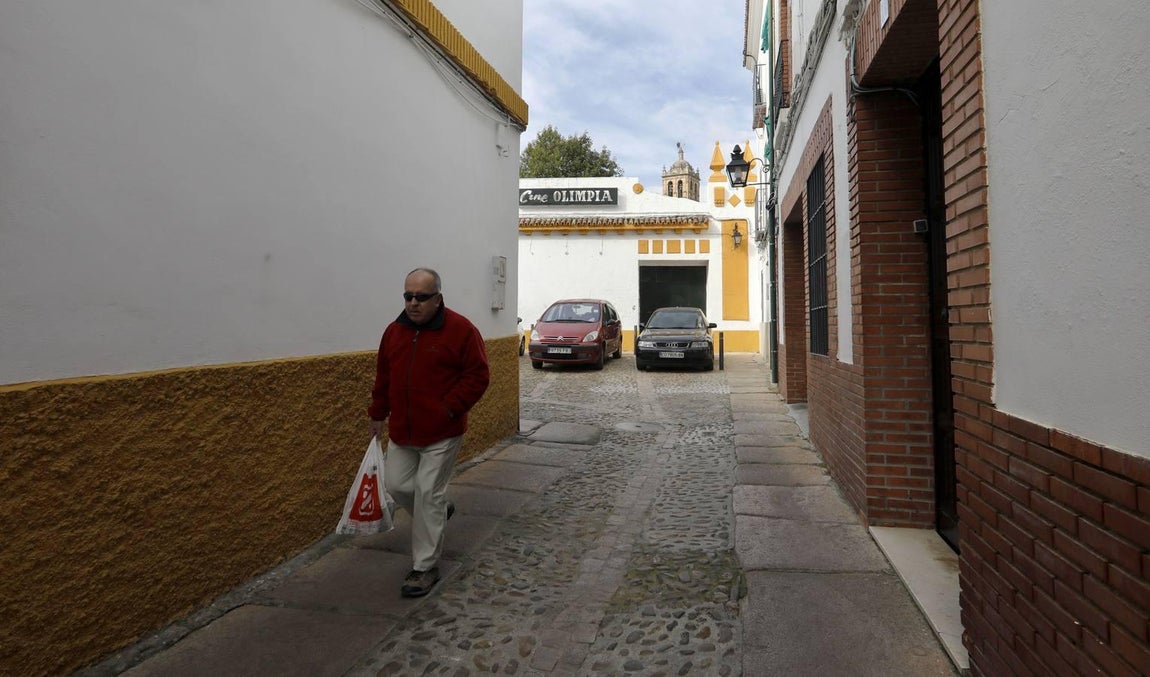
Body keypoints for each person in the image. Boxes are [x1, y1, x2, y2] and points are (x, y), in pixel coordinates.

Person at [368, 267, 490, 597]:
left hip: (442, 432)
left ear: (437, 298)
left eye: (421, 297)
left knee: (426, 492)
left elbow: (478, 376)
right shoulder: (393, 333)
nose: (413, 303)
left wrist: (448, 408)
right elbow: (384, 377)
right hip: (403, 431)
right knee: (397, 485)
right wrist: (378, 414)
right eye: (408, 296)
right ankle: (439, 510)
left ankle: (424, 567)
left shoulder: (462, 331)